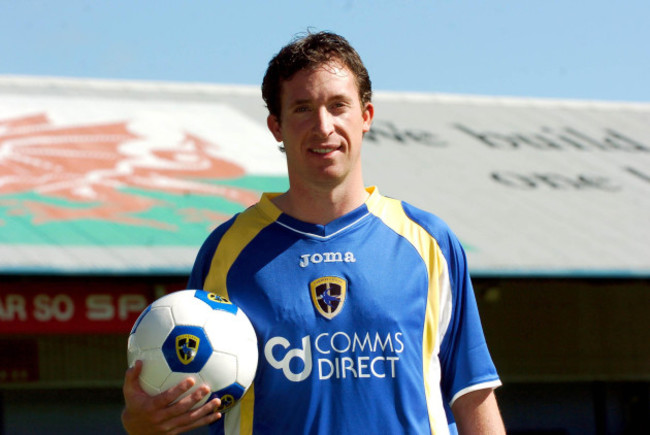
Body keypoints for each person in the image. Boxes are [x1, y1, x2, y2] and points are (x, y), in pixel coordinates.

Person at [122, 31, 505, 434]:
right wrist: (141, 422)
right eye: (303, 109)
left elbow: (472, 393)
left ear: (367, 116)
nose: (324, 126)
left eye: (339, 106)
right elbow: (188, 401)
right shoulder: (227, 250)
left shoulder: (429, 242)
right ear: (276, 126)